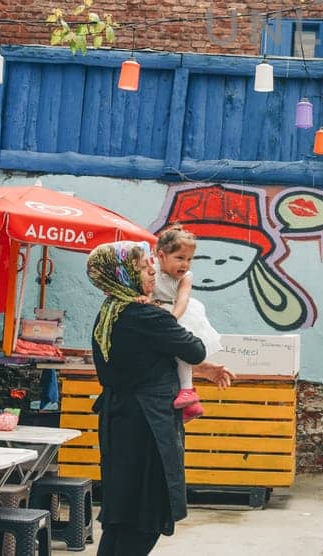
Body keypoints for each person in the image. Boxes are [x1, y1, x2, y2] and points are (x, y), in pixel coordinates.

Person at [88, 240, 232, 556]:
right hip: (147, 424)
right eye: (142, 267)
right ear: (123, 274)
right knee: (146, 514)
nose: (152, 270)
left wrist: (202, 369)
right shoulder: (145, 315)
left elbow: (143, 356)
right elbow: (194, 348)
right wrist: (177, 309)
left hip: (119, 419)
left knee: (121, 516)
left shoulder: (109, 312)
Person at [153, 226, 224, 423]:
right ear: (161, 256)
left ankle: (187, 391)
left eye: (190, 259)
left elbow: (183, 300)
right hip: (157, 311)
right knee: (171, 355)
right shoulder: (151, 271)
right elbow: (147, 293)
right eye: (180, 258)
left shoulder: (186, 277)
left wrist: (172, 318)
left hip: (177, 312)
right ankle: (188, 403)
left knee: (183, 351)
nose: (185, 264)